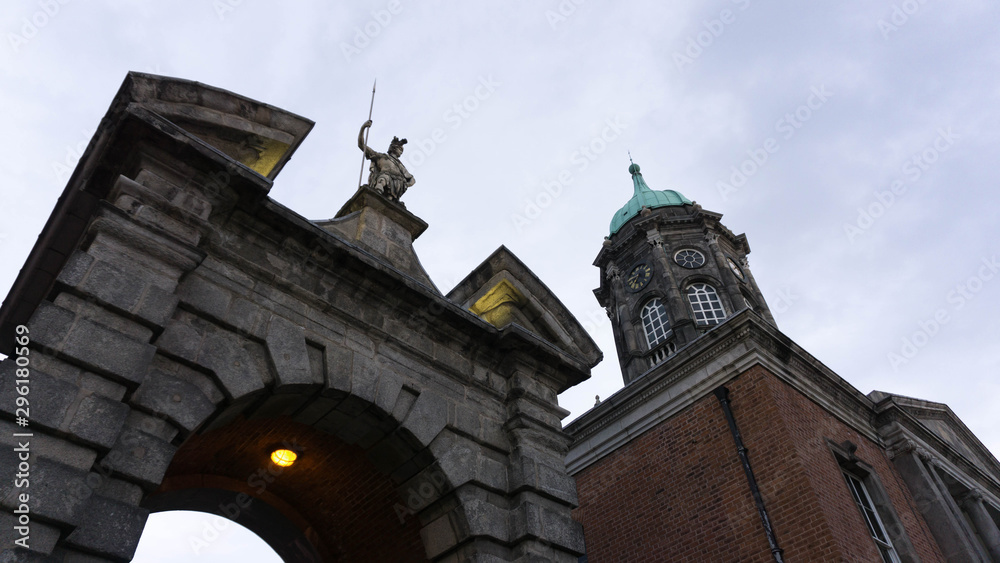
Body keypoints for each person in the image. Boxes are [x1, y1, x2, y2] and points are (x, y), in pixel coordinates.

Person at [358, 119, 415, 202]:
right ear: (393, 147)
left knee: (389, 201)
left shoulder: (400, 165)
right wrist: (363, 127)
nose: (401, 152)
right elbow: (361, 145)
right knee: (383, 180)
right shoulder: (381, 156)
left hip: (397, 186)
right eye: (400, 149)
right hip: (384, 179)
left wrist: (405, 184)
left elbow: (412, 180)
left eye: (402, 150)